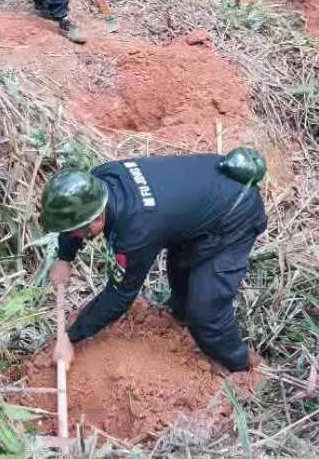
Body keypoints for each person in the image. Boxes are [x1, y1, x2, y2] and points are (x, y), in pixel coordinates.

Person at [37, 148, 267, 373]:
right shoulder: (101, 179)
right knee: (181, 270)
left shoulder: (135, 231)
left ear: (96, 220)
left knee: (206, 310)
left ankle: (240, 364)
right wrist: (64, 257)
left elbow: (119, 296)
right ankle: (181, 317)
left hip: (236, 212)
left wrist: (71, 337)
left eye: (75, 233)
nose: (73, 236)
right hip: (199, 202)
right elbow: (77, 219)